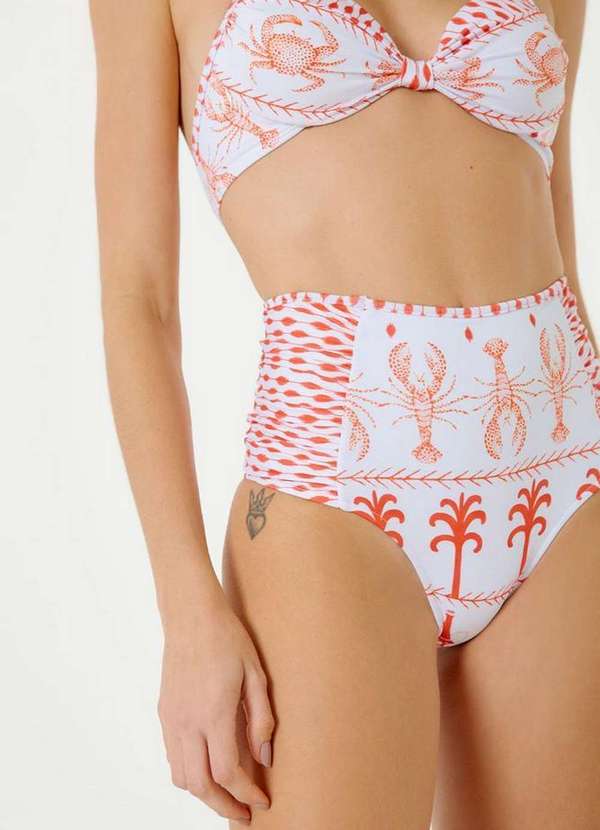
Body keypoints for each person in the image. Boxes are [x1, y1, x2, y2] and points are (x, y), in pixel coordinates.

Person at [89, 0, 600, 826]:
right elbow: (138, 299)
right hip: (333, 498)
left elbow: (557, 228)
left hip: (568, 476)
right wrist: (188, 616)